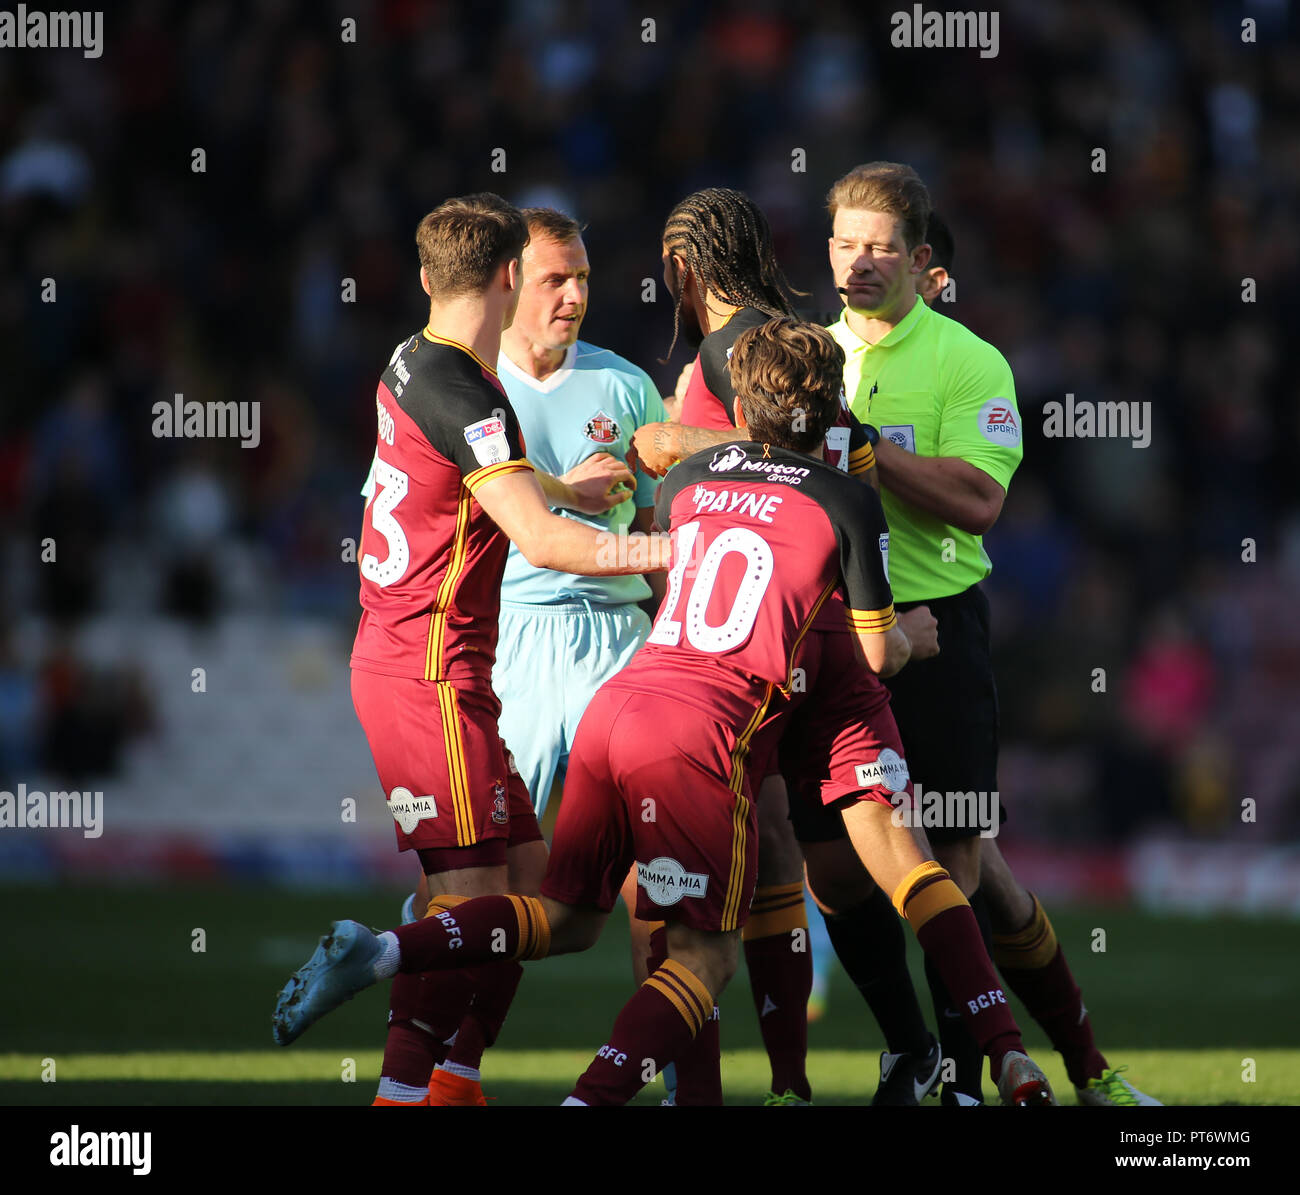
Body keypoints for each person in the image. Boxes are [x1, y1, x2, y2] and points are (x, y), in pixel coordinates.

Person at [273, 316, 1057, 1109]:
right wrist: (918, 641)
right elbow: (878, 652)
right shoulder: (847, 500)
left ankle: (380, 951)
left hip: (622, 700)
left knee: (564, 914)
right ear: (836, 406)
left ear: (741, 407)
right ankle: (607, 1097)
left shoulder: (687, 482)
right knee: (703, 956)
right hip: (696, 734)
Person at [822, 162, 1157, 1107]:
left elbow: (979, 501)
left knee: (959, 859)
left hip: (943, 632)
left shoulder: (968, 361)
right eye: (844, 242)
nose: (859, 261)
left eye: (880, 245)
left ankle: (964, 1080)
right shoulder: (804, 354)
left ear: (921, 258)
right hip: (839, 633)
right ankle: (926, 1053)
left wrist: (865, 451)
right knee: (841, 866)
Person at [343, 192, 668, 1106]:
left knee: (537, 894)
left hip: (449, 665)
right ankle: (409, 1090)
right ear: (507, 278)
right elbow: (542, 541)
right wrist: (678, 547)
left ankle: (450, 1074)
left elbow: (498, 484)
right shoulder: (473, 393)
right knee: (471, 897)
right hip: (429, 667)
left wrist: (564, 484)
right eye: (549, 276)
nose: (571, 294)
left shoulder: (411, 359)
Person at [632, 187, 876, 1105]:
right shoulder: (762, 340)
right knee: (775, 849)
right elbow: (839, 456)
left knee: (732, 855)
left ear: (687, 266)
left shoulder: (738, 349)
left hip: (754, 638)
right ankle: (783, 1081)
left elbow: (804, 460)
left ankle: (740, 1082)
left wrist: (675, 441)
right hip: (774, 625)